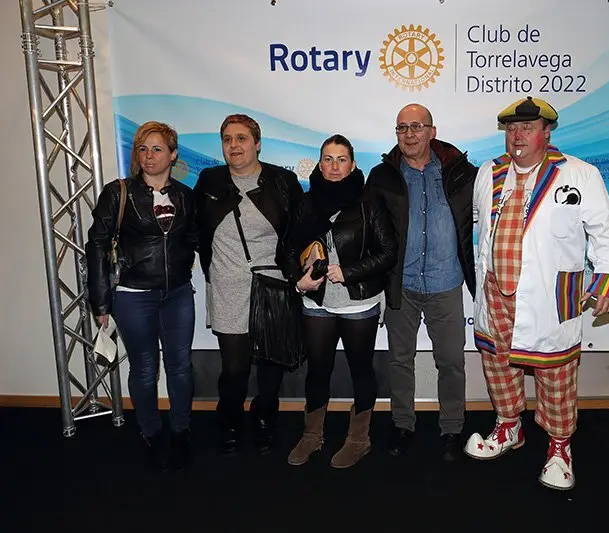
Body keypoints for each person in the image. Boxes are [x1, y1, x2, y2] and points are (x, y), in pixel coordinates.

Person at [464, 96, 609, 490]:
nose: (517, 135)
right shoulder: (489, 172)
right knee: (498, 364)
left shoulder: (579, 174)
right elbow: (476, 222)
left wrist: (606, 281)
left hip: (549, 297)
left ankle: (559, 447)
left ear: (546, 132)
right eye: (512, 129)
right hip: (496, 292)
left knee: (556, 374)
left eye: (527, 128)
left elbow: (606, 233)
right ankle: (508, 427)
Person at [364, 103, 477, 461]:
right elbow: (369, 228)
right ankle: (402, 425)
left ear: (432, 131)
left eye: (416, 127)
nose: (409, 134)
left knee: (451, 361)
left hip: (446, 282)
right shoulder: (382, 176)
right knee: (400, 360)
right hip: (403, 284)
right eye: (402, 128)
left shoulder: (460, 172)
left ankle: (452, 428)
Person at [86, 121, 198, 471]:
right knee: (145, 369)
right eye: (143, 149)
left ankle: (181, 431)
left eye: (157, 149)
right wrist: (100, 301)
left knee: (181, 367)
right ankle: (151, 433)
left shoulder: (186, 196)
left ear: (173, 154)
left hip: (178, 294)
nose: (149, 156)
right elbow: (97, 246)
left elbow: (193, 240)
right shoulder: (118, 193)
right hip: (133, 296)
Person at [194, 114, 304, 456]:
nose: (234, 145)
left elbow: (299, 233)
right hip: (227, 287)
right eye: (227, 139)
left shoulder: (282, 180)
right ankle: (228, 420)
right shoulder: (210, 181)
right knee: (235, 368)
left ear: (257, 143)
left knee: (270, 366)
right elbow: (196, 231)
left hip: (272, 286)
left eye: (241, 138)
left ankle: (265, 417)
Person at [286, 134, 397, 468]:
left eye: (341, 159)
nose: (334, 166)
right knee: (317, 371)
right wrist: (299, 280)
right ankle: (311, 435)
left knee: (360, 370)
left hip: (358, 303)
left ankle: (359, 439)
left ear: (352, 164)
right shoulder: (305, 202)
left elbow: (388, 252)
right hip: (316, 302)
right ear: (320, 164)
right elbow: (287, 248)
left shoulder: (369, 201)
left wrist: (348, 272)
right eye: (328, 159)